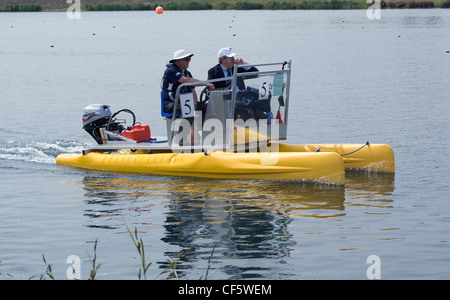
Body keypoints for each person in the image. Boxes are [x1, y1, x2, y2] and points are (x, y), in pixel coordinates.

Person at [161, 49, 214, 115]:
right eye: (186, 59)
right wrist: (206, 83)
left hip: (185, 102)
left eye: (189, 59)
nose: (189, 61)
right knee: (189, 108)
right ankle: (192, 124)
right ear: (178, 61)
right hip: (171, 103)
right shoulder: (170, 71)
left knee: (208, 108)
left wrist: (195, 103)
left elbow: (192, 90)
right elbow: (186, 80)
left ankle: (203, 124)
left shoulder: (187, 73)